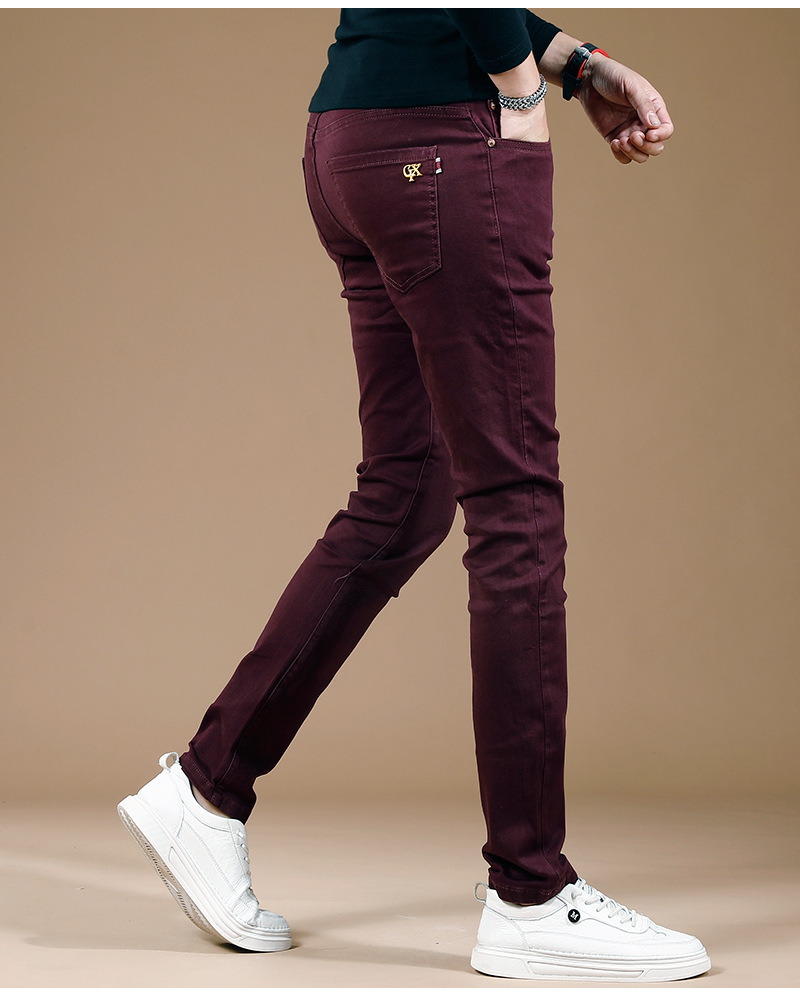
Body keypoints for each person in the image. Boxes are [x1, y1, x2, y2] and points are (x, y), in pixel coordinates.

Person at [118, 9, 711, 982]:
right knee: (515, 503)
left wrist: (577, 65)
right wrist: (520, 88)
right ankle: (531, 893)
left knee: (407, 490)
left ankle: (206, 788)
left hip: (350, 141)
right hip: (442, 144)